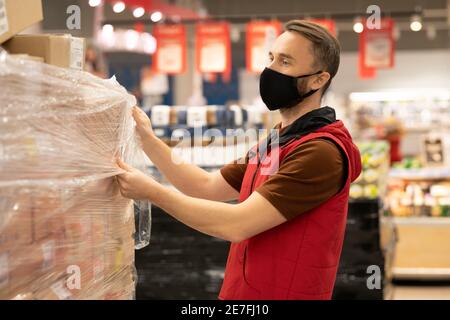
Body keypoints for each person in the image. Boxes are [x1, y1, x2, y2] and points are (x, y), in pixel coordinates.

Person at [116, 20, 362, 300]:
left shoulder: (320, 152)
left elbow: (236, 224)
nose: (270, 70)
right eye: (271, 58)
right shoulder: (280, 139)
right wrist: (148, 140)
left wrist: (151, 191)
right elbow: (207, 186)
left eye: (285, 61)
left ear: (319, 79)